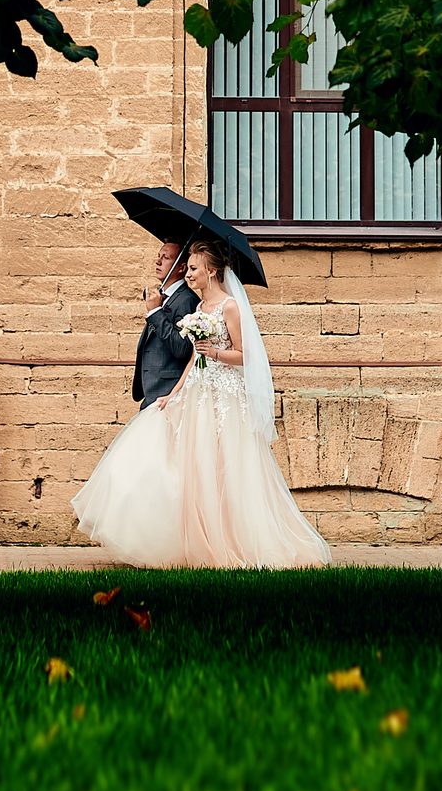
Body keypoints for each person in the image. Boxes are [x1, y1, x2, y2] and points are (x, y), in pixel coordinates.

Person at [73, 238, 330, 569]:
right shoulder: (198, 310)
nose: (189, 274)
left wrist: (217, 353)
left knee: (225, 468)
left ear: (212, 271)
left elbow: (247, 354)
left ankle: (234, 541)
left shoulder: (230, 307)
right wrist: (175, 392)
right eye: (189, 269)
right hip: (197, 392)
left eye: (193, 269)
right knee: (196, 466)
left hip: (223, 397)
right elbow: (193, 358)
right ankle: (196, 540)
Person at [131, 239, 197, 410]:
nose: (158, 261)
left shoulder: (187, 300)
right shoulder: (162, 296)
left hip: (168, 392)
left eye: (166, 258)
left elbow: (182, 349)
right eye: (158, 256)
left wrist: (155, 313)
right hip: (151, 390)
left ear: (182, 268)